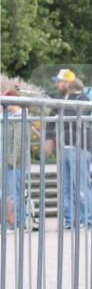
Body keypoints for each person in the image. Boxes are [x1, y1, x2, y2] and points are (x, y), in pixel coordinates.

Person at [44, 71, 92, 229]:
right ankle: (69, 220)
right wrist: (49, 138)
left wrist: (57, 104)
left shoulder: (83, 98)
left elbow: (77, 115)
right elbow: (51, 121)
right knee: (65, 187)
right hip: (63, 147)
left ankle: (86, 220)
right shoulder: (61, 99)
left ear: (68, 83)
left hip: (80, 147)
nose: (57, 85)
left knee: (81, 186)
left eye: (59, 82)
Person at [3, 91, 26, 230]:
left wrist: (10, 161)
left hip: (15, 163)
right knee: (12, 194)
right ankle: (13, 222)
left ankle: (17, 223)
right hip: (10, 162)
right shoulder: (11, 116)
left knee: (15, 193)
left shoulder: (20, 117)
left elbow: (18, 142)